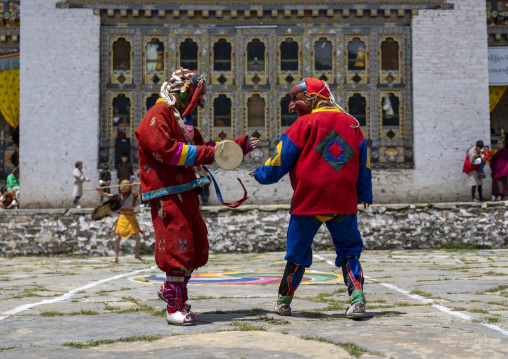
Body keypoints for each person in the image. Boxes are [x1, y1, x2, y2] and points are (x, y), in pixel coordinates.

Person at [135, 68, 258, 325]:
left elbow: (207, 149)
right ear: (184, 91)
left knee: (194, 247)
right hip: (168, 194)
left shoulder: (183, 122)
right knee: (177, 246)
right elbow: (167, 151)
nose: (198, 101)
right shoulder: (157, 115)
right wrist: (207, 154)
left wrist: (238, 146)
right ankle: (174, 306)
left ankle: (172, 290)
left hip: (187, 191)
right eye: (195, 94)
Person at [251, 77, 372, 320]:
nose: (292, 105)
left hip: (309, 200)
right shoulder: (352, 125)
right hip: (342, 200)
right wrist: (364, 194)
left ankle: (284, 302)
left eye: (295, 98)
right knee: (349, 251)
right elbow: (364, 165)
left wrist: (260, 175)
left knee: (297, 252)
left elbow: (279, 160)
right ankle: (357, 300)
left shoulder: (302, 126)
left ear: (313, 97)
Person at [96, 180, 144, 263]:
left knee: (137, 237)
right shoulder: (119, 196)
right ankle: (116, 257)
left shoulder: (132, 195)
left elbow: (136, 193)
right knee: (118, 237)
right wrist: (100, 191)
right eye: (122, 186)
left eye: (126, 186)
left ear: (129, 187)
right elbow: (108, 195)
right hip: (122, 217)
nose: (124, 187)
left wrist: (135, 187)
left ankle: (137, 254)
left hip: (131, 217)